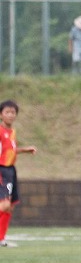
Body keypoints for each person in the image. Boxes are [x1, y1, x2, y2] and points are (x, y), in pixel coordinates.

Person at [0, 100, 37, 247]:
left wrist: (25, 150)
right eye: (7, 112)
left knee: (10, 206)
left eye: (13, 112)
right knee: (4, 205)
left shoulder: (12, 132)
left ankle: (1, 238)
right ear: (1, 114)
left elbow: (9, 150)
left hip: (11, 170)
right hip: (2, 169)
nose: (10, 115)